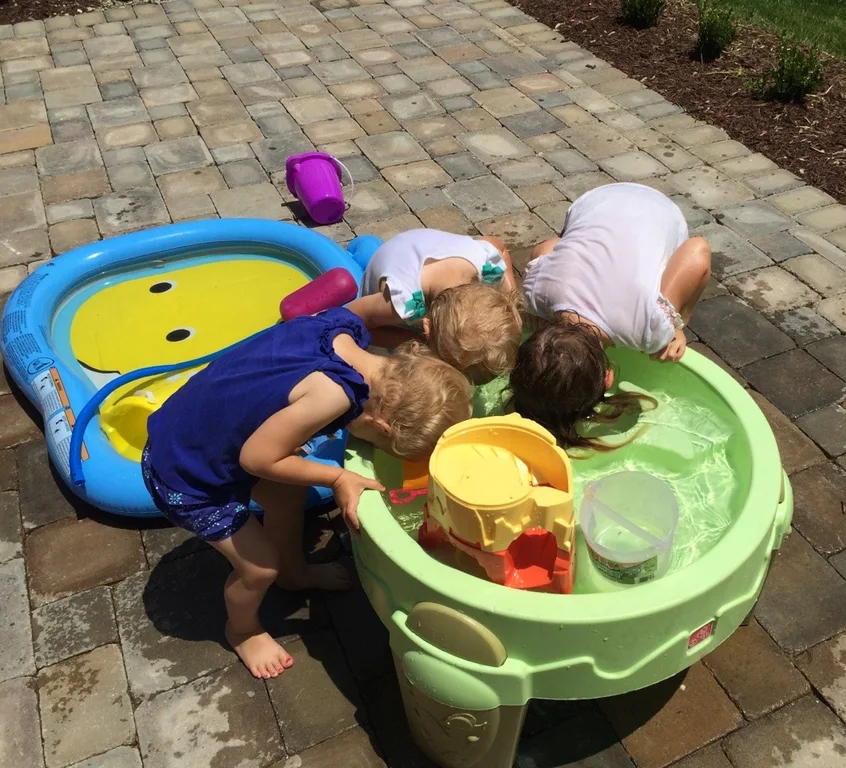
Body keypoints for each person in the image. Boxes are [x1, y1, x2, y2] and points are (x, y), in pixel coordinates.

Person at [142, 307, 472, 679]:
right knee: (259, 566)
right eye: (386, 447)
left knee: (287, 495)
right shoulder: (333, 397)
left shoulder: (345, 331)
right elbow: (256, 458)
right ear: (380, 426)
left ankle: (294, 573)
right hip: (187, 474)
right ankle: (242, 630)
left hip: (192, 427)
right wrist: (336, 479)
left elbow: (358, 315)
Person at [510, 183, 711, 449]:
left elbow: (698, 250)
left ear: (608, 377)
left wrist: (675, 321)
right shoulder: (536, 295)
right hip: (595, 202)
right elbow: (548, 246)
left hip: (663, 214)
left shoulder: (651, 329)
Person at [347, 229, 522, 384]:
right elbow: (351, 321)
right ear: (426, 328)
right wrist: (413, 341)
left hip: (422, 246)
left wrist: (511, 296)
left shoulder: (486, 261)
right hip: (388, 269)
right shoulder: (402, 305)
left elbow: (498, 245)